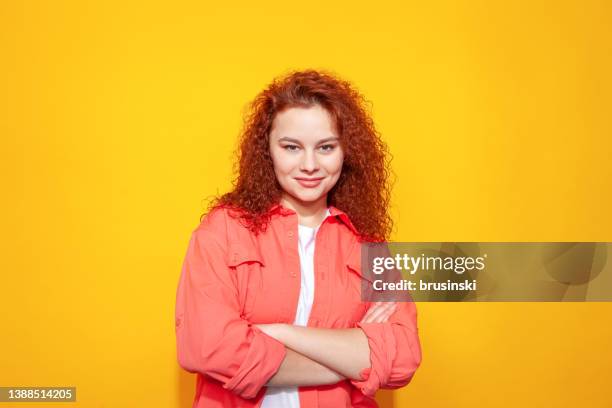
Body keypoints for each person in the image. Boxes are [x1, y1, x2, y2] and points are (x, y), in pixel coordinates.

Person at [175, 69, 422, 408]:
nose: (310, 164)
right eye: (291, 147)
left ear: (345, 151)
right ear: (268, 151)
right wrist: (350, 358)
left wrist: (279, 333)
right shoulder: (224, 230)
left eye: (326, 147)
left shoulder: (368, 245)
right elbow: (207, 348)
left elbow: (403, 358)